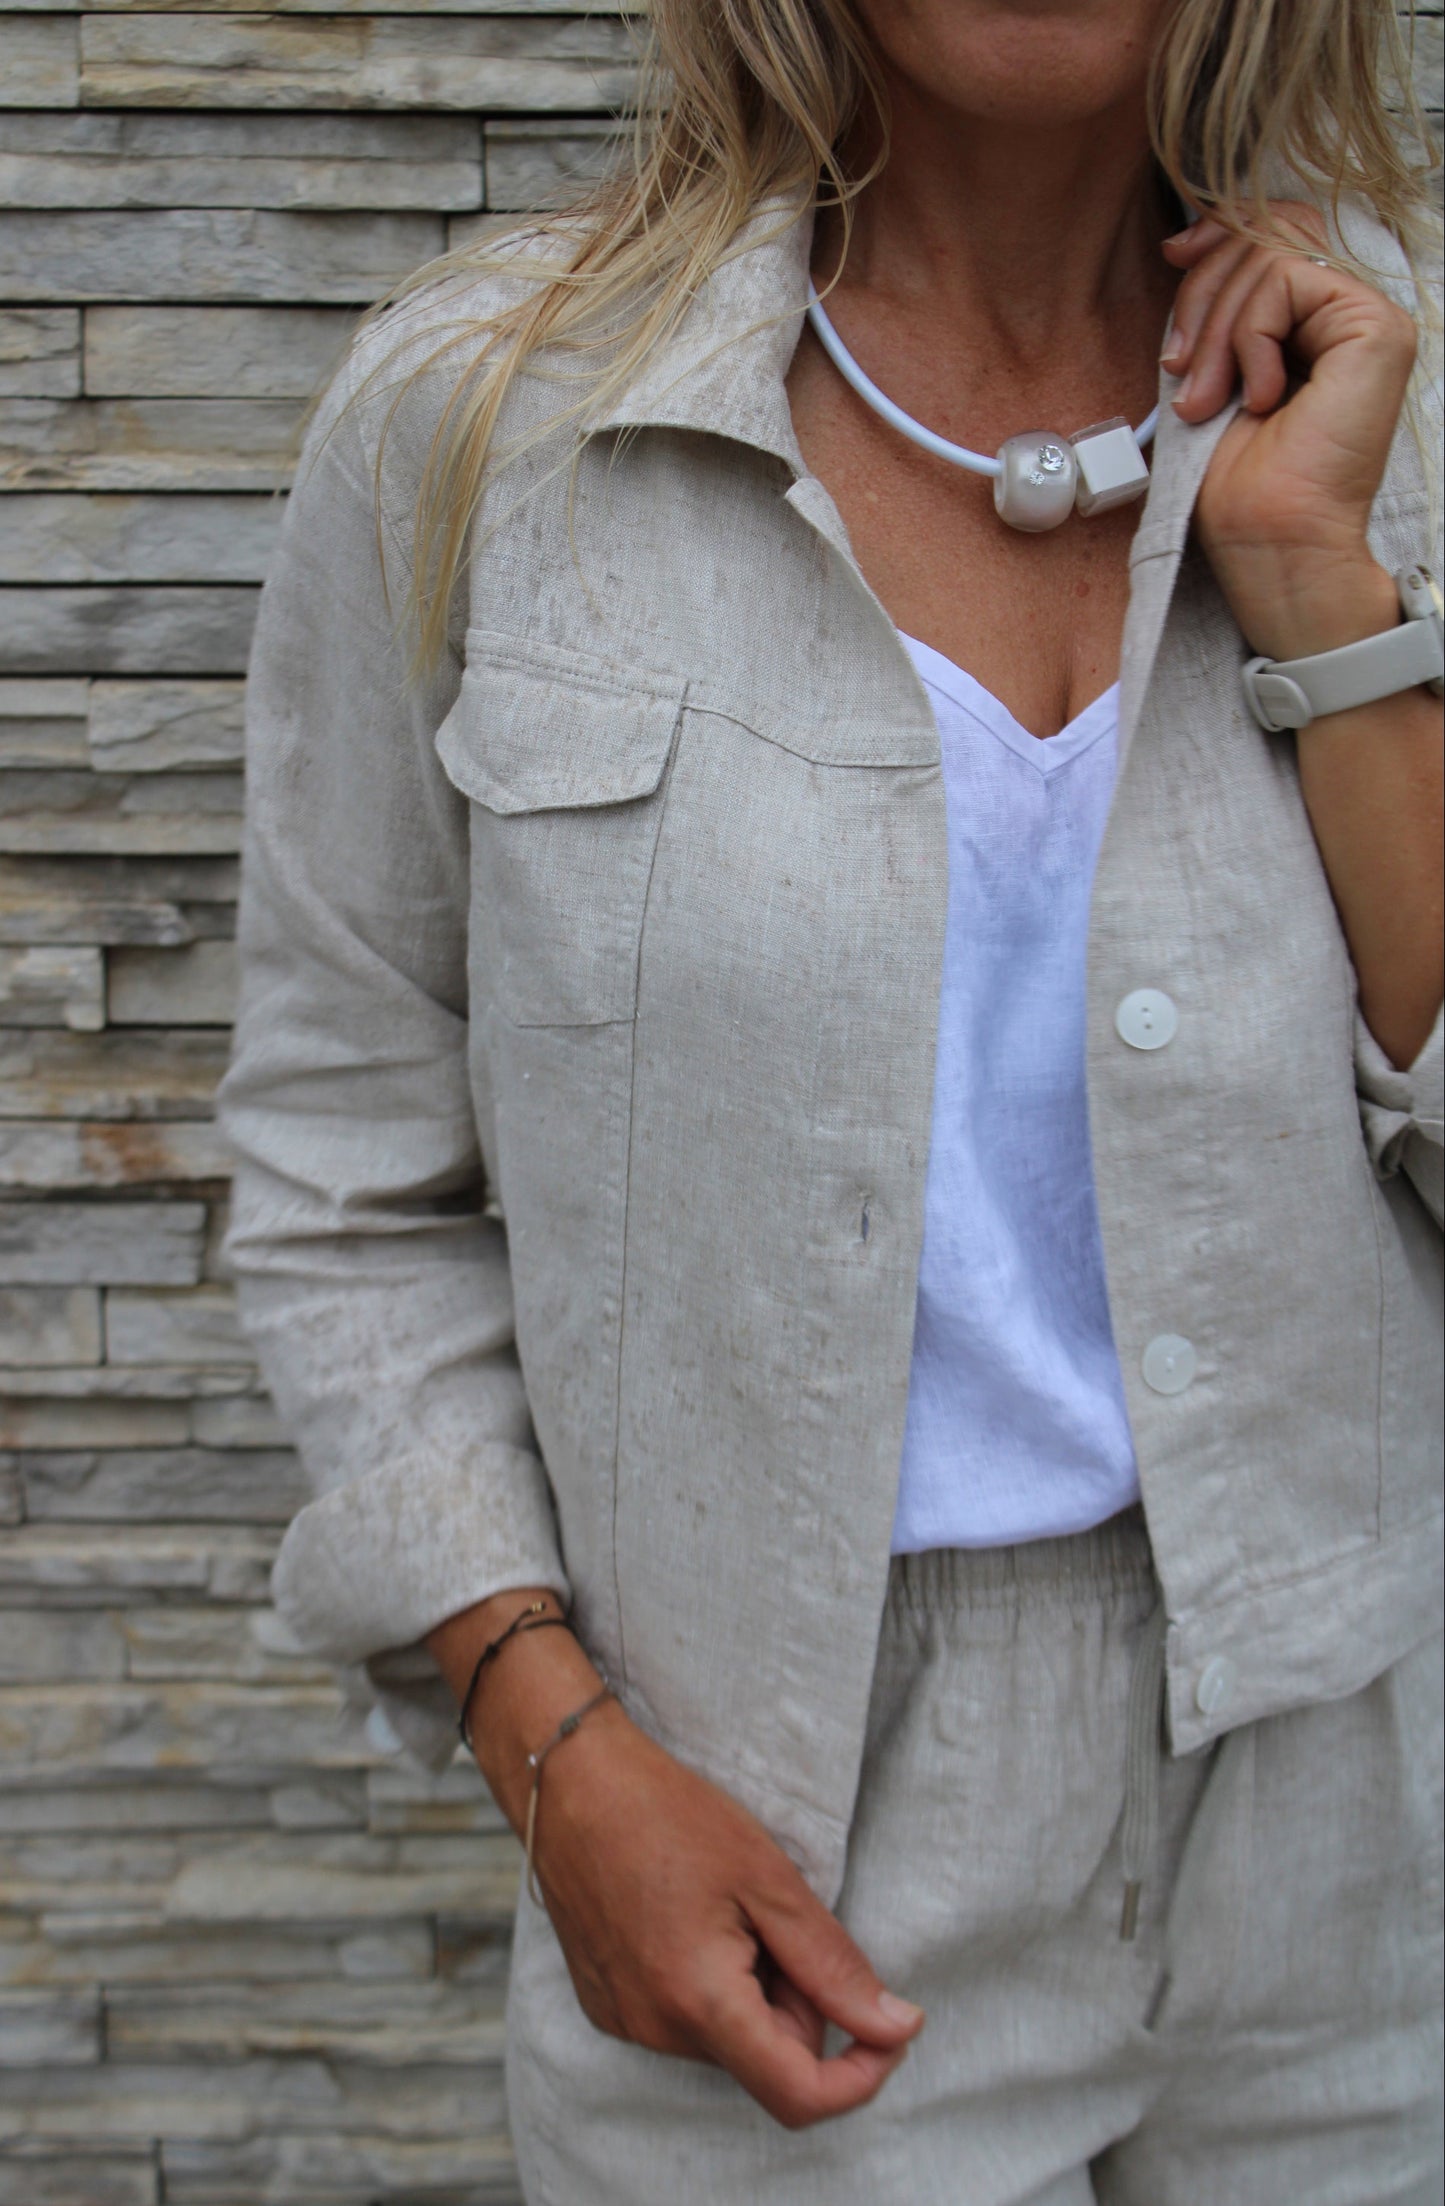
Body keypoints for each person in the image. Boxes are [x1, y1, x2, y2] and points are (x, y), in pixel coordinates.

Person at [214, 0, 1444, 2194]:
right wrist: (557, 1742)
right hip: (783, 1838)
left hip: (1368, 1808)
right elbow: (343, 1168)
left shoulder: (1401, 397)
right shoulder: (487, 420)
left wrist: (1330, 600)